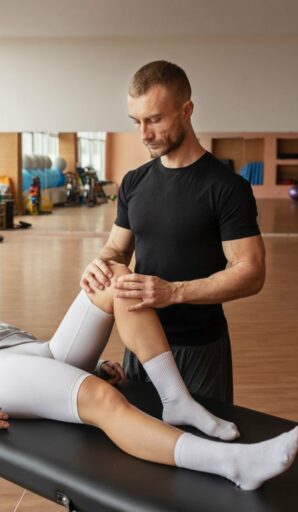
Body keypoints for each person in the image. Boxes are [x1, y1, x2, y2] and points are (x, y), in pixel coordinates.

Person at [0, 263, 298, 491]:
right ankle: (234, 465)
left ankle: (177, 399)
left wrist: (88, 365)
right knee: (101, 401)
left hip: (33, 354)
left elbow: (36, 361)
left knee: (120, 280)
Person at [81, 60, 265, 403]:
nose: (144, 134)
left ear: (186, 110)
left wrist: (174, 292)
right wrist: (99, 264)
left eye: (155, 119)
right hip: (139, 341)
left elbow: (251, 273)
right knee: (139, 445)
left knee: (201, 448)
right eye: (136, 122)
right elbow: (116, 250)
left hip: (198, 345)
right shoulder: (134, 182)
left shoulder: (227, 188)